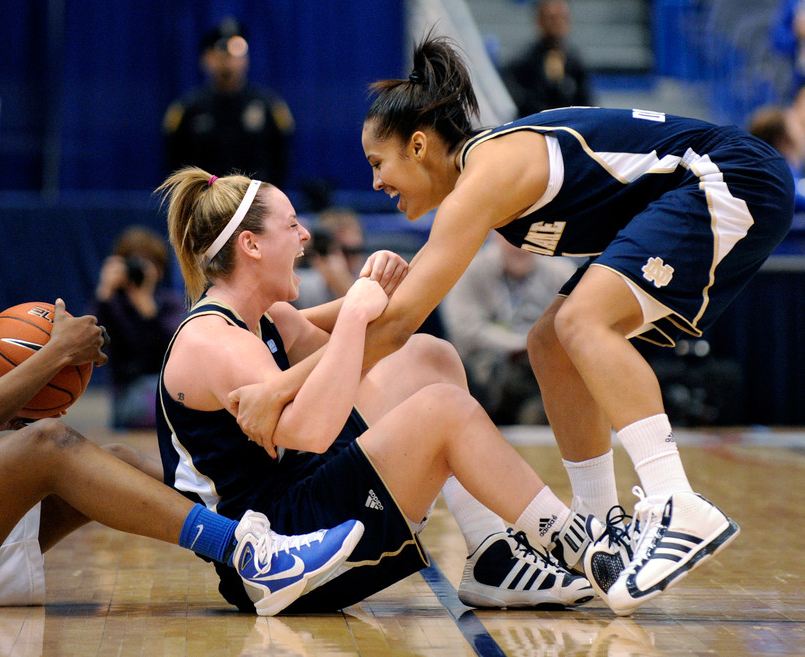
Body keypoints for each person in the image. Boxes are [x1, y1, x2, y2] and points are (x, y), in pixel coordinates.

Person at [230, 36, 793, 616]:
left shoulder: (485, 177)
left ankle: (675, 501)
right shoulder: (480, 179)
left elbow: (394, 327)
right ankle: (602, 527)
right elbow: (385, 309)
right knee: (550, 340)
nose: (376, 183)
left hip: (727, 177)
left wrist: (278, 386)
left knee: (580, 321)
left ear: (419, 145)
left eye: (379, 163)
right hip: (702, 185)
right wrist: (288, 321)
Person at [0, 177, 364, 616]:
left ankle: (259, 541)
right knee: (51, 444)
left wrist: (13, 435)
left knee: (119, 464)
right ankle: (248, 554)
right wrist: (52, 357)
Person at [155, 167, 612, 614]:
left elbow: (356, 367)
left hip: (302, 494)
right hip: (276, 552)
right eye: (292, 225)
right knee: (443, 409)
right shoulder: (214, 342)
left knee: (430, 358)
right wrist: (355, 313)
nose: (305, 237)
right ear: (250, 245)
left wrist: (379, 290)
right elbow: (311, 431)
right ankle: (584, 543)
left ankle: (492, 553)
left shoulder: (266, 317)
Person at [441, 233, 576, 424]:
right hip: (488, 371)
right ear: (497, 234)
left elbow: (574, 327)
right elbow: (464, 329)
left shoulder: (561, 272)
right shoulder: (471, 270)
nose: (519, 245)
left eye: (528, 235)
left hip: (542, 369)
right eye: (513, 235)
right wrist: (522, 344)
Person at [162, 17, 294, 186]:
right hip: (205, 204)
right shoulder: (188, 109)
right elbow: (175, 163)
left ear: (246, 58)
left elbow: (280, 161)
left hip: (255, 204)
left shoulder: (268, 107)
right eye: (221, 52)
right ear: (206, 59)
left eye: (237, 52)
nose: (228, 60)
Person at [91, 227, 185, 430]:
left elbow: (177, 350)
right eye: (134, 263)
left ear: (159, 270)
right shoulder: (112, 305)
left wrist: (147, 308)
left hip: (167, 388)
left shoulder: (169, 304)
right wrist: (104, 291)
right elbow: (89, 343)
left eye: (148, 264)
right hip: (129, 393)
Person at [501, 0, 594, 118]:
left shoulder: (576, 62)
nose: (558, 23)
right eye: (552, 18)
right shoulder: (522, 63)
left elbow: (587, 103)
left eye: (563, 18)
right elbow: (521, 104)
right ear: (539, 21)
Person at [292, 207, 367, 310]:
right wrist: (293, 252)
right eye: (335, 250)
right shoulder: (303, 283)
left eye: (352, 251)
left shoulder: (374, 277)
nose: (342, 260)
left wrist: (343, 285)